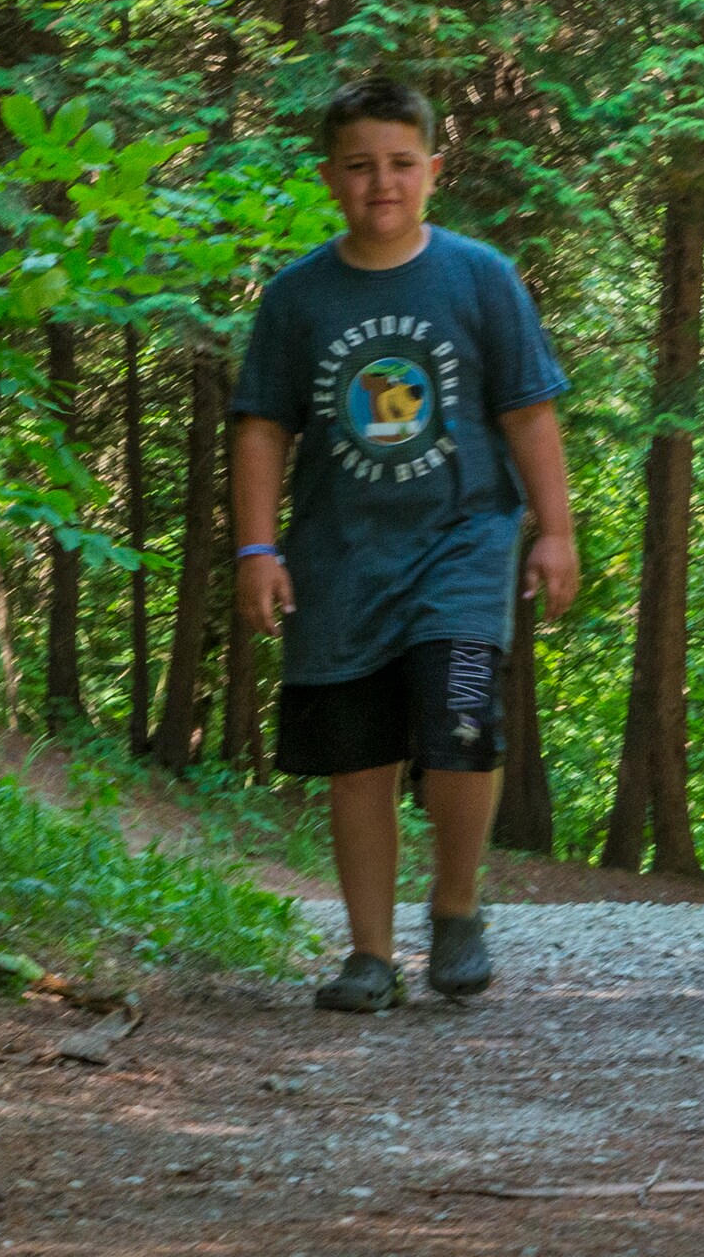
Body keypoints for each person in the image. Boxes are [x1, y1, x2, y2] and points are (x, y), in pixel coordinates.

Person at [230, 76, 580, 1014]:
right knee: (361, 758)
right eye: (359, 166)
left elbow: (528, 409)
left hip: (463, 544)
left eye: (398, 163)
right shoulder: (299, 297)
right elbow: (262, 426)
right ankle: (371, 955)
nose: (380, 183)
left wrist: (555, 530)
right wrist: (256, 551)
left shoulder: (478, 277)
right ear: (330, 178)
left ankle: (457, 906)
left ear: (432, 168)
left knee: (462, 726)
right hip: (341, 558)